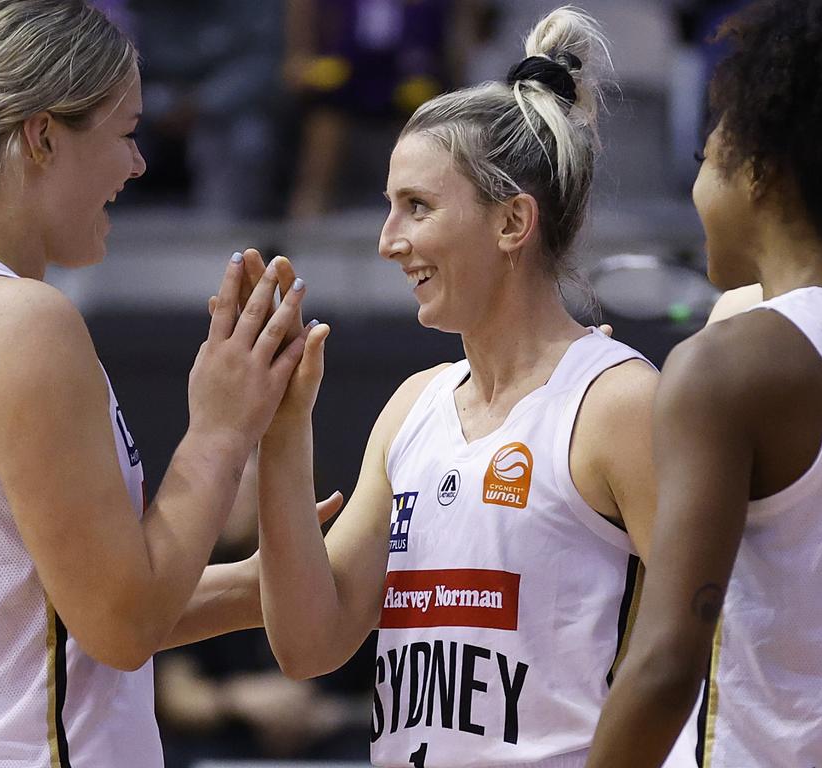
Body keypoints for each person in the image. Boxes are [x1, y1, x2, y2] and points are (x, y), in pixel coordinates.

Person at [251, 6, 698, 766]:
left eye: (417, 207)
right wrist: (280, 433)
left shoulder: (615, 402)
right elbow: (309, 644)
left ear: (511, 223)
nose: (389, 240)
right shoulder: (412, 409)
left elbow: (705, 649)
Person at [0, 1, 322, 765]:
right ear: (42, 135)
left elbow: (52, 615)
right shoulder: (17, 324)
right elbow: (121, 627)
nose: (139, 164)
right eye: (125, 133)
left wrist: (266, 585)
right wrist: (219, 432)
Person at [585, 1, 822, 766]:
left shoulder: (731, 363)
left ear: (759, 171)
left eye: (706, 157)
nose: (698, 184)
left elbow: (665, 668)